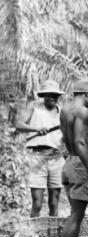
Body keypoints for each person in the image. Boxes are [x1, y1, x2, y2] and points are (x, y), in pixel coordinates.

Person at [16, 80, 65, 218]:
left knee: (54, 202)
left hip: (56, 159)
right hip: (38, 158)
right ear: (43, 96)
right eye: (49, 95)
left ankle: (53, 235)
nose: (53, 98)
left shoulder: (62, 111)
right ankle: (34, 236)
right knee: (37, 203)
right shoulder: (34, 106)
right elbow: (19, 124)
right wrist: (36, 129)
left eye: (55, 95)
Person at [59, 79, 88, 237]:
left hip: (69, 163)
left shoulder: (64, 110)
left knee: (74, 215)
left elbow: (67, 139)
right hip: (79, 165)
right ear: (86, 94)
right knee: (76, 216)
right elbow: (79, 141)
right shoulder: (82, 111)